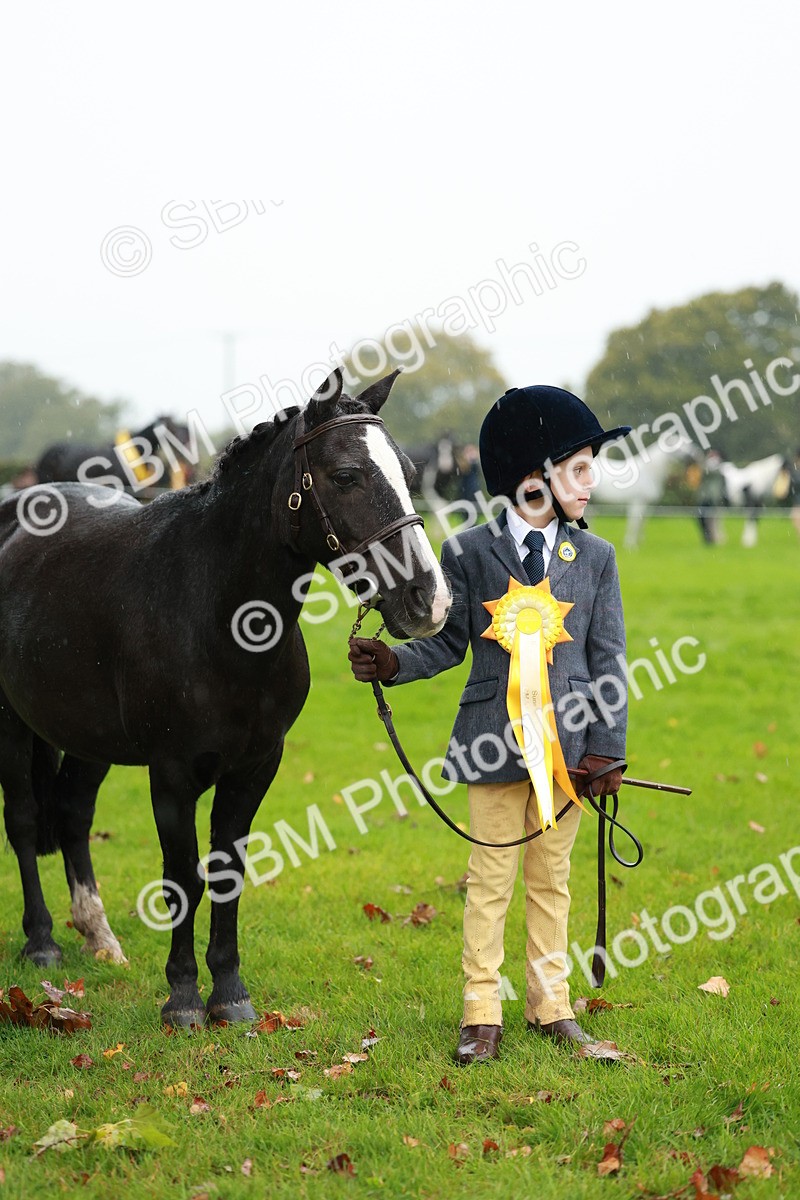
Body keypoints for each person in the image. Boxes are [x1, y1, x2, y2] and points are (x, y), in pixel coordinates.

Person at [349, 385, 632, 1065]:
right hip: (490, 746)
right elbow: (447, 644)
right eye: (580, 468)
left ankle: (551, 1006)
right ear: (536, 477)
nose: (592, 483)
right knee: (490, 879)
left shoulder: (595, 560)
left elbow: (608, 660)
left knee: (551, 879)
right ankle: (482, 1012)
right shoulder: (469, 552)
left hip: (567, 754)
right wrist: (394, 662)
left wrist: (607, 751)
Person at [696, 449, 728, 545]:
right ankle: (709, 538)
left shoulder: (719, 468)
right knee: (704, 518)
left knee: (715, 520)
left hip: (714, 498)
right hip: (705, 498)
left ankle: (715, 539)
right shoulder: (707, 467)